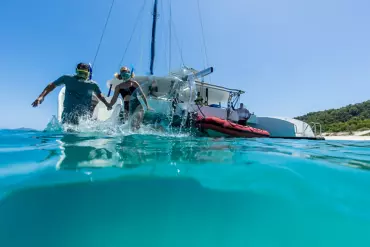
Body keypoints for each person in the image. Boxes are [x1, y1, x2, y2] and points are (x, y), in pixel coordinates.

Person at [32, 62, 111, 125]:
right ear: (76, 71)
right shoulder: (67, 78)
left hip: (83, 121)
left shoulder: (92, 85)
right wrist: (41, 96)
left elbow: (100, 96)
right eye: (80, 73)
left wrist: (107, 104)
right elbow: (52, 85)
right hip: (67, 119)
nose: (82, 76)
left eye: (84, 74)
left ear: (88, 74)